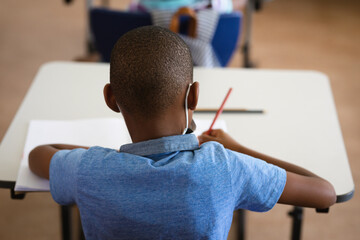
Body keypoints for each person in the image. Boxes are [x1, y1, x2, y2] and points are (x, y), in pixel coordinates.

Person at [29, 26, 336, 240]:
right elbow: (324, 191)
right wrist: (236, 148)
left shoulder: (89, 170)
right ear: (194, 98)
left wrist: (102, 157)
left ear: (111, 99)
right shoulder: (226, 166)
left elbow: (38, 154)